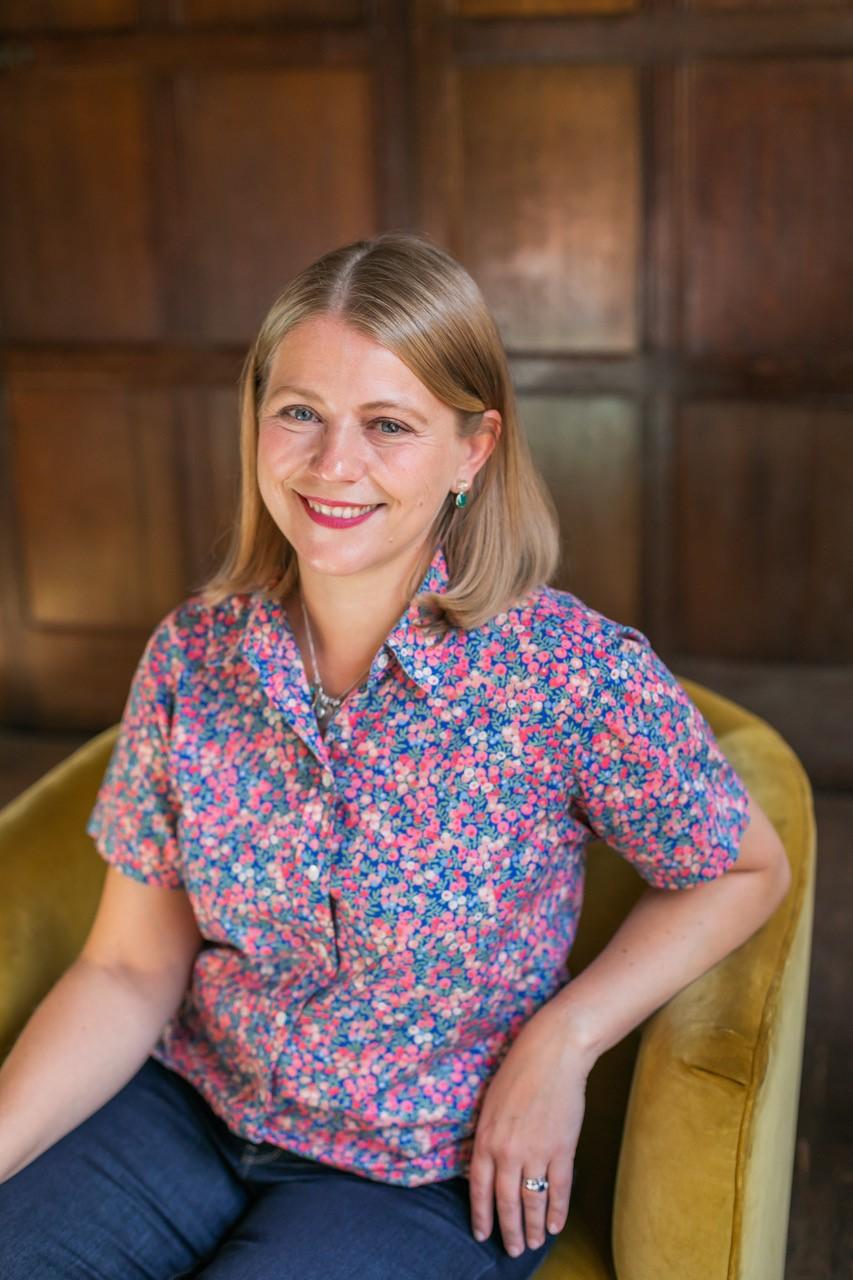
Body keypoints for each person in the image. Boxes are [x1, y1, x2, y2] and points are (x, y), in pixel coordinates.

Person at [0, 231, 791, 1279]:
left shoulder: (567, 674)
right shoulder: (194, 653)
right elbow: (127, 961)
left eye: (388, 424)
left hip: (422, 1166)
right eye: (300, 414)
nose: (335, 464)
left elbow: (746, 864)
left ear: (473, 448)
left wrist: (565, 1036)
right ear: (256, 422)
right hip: (191, 1102)